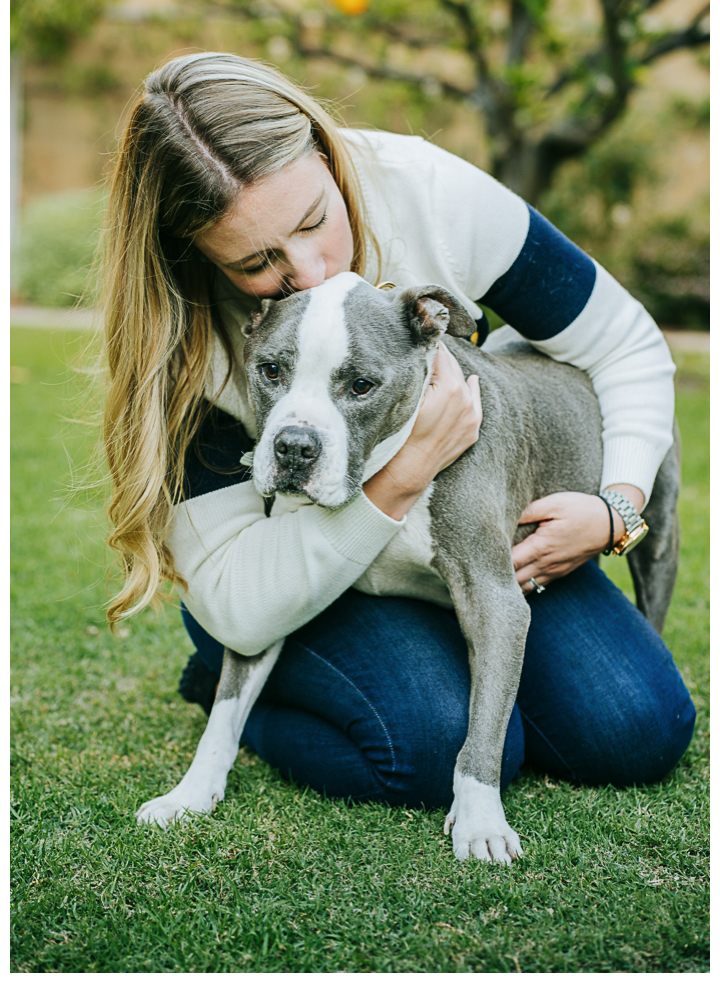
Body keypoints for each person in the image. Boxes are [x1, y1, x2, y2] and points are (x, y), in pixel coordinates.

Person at [100, 51, 694, 811]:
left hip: (458, 543)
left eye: (314, 219)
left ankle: (413, 663)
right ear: (202, 259)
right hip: (291, 564)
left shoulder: (430, 192)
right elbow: (244, 602)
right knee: (420, 744)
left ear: (324, 146)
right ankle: (262, 682)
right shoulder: (180, 336)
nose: (311, 271)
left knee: (632, 727)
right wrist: (404, 472)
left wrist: (617, 507)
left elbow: (629, 347)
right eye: (258, 262)